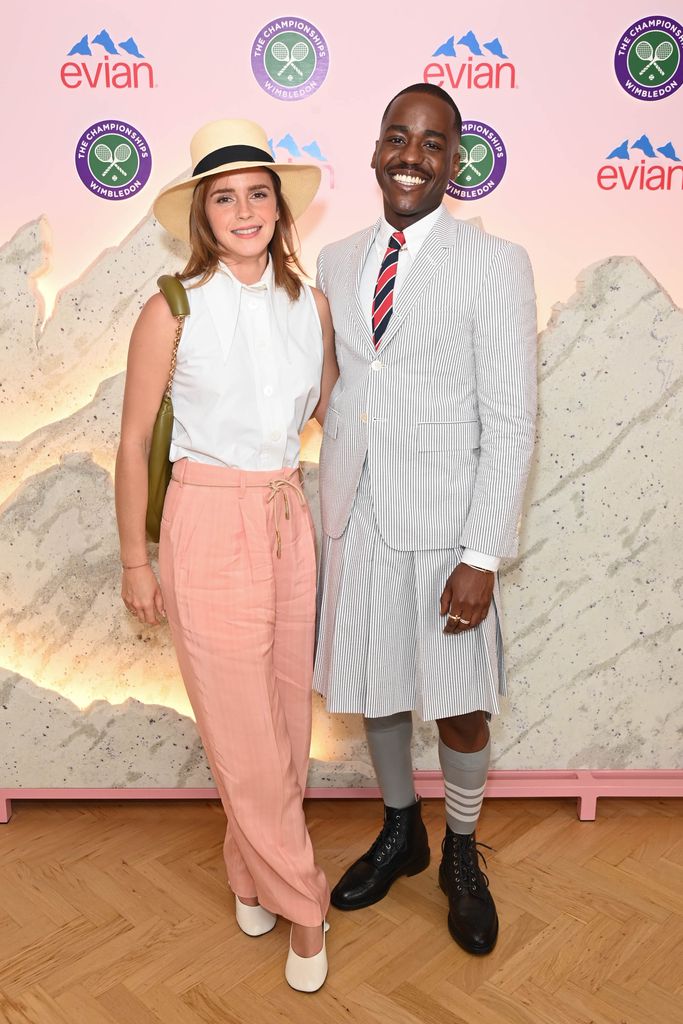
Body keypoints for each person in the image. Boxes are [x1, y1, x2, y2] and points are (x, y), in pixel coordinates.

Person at [114, 119, 339, 992]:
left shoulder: (308, 306)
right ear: (201, 215)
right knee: (241, 734)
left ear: (277, 208)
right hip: (205, 524)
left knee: (282, 725)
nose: (244, 210)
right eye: (224, 196)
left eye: (257, 193)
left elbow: (330, 415)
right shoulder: (170, 305)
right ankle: (306, 906)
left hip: (288, 515)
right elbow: (134, 443)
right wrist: (137, 560)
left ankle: (250, 873)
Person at [313, 84, 537, 955]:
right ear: (375, 150)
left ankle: (460, 851)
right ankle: (401, 829)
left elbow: (511, 419)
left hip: (448, 525)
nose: (412, 155)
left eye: (433, 142)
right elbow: (341, 386)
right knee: (371, 687)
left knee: (458, 707)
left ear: (455, 161)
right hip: (354, 513)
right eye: (397, 137)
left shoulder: (496, 263)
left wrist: (481, 553)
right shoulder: (335, 259)